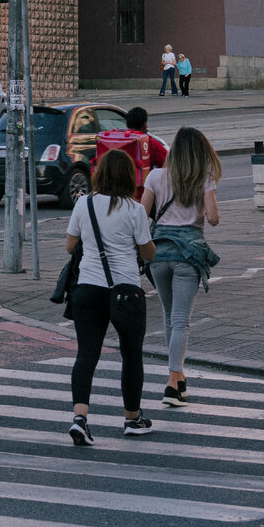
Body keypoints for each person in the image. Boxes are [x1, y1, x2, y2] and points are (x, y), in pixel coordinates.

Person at [65, 146, 157, 444]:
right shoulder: (135, 210)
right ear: (129, 177)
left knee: (86, 353)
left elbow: (70, 246)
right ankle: (132, 418)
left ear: (99, 174)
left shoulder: (84, 204)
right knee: (131, 355)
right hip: (126, 291)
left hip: (87, 288)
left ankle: (80, 418)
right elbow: (148, 253)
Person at [143, 128, 222, 407]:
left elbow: (141, 214)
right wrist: (202, 208)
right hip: (187, 255)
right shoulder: (204, 178)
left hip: (158, 254)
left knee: (169, 317)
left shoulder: (155, 176)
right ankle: (171, 384)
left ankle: (179, 380)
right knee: (181, 321)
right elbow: (213, 218)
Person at [95, 106, 168, 197]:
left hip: (111, 194)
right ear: (144, 125)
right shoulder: (150, 142)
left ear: (127, 125)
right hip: (139, 195)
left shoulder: (115, 140)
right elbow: (168, 164)